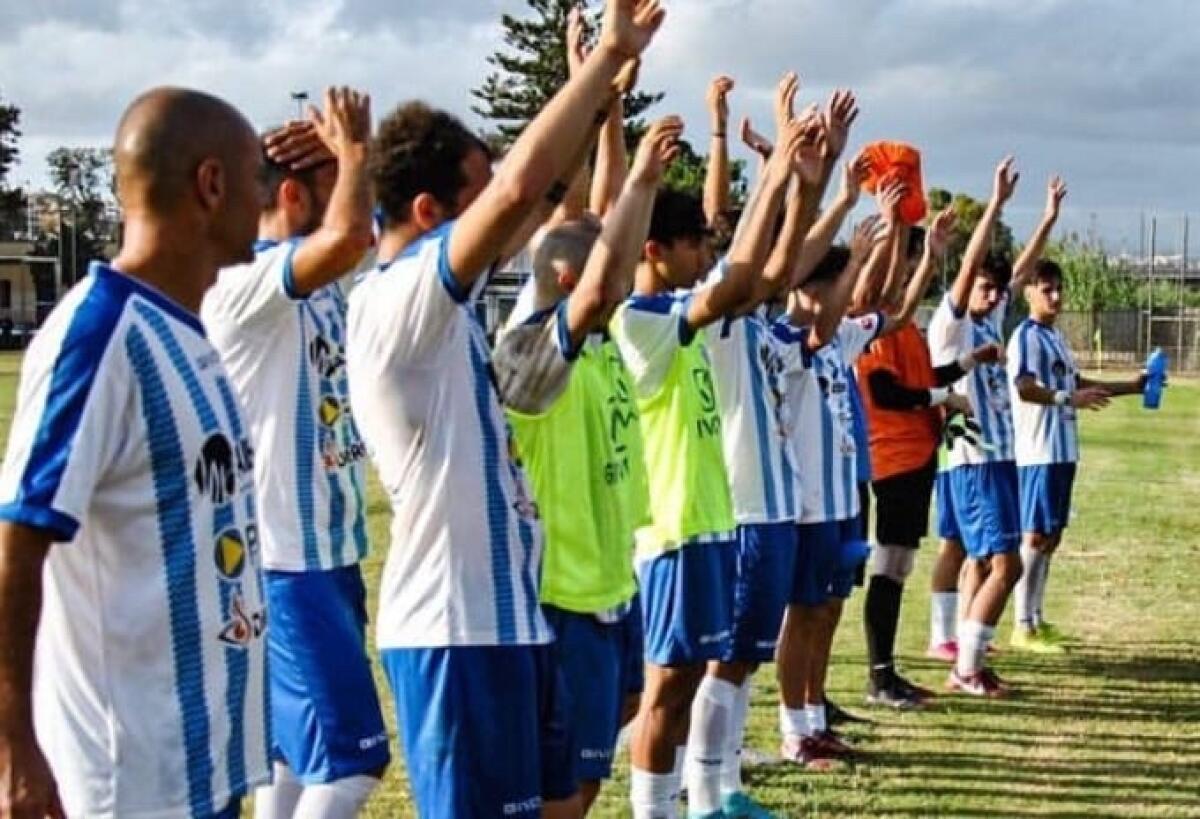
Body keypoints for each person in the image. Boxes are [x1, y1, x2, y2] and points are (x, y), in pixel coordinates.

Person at [345, 3, 666, 816]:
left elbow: (543, 195)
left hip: (506, 622)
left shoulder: (446, 312)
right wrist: (604, 66)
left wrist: (598, 101)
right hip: (452, 630)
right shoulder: (396, 303)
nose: (509, 222)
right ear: (429, 214)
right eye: (479, 202)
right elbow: (525, 186)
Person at [0, 87, 269, 819]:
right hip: (131, 782)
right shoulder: (98, 337)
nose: (267, 198)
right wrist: (13, 745)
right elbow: (17, 543)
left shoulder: (188, 333)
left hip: (201, 764)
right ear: (211, 185)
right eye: (256, 178)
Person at [611, 105, 814, 819]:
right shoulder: (641, 321)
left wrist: (796, 179)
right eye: (694, 241)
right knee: (664, 688)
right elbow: (741, 277)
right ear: (656, 250)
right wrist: (778, 170)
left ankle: (701, 798)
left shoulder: (675, 313)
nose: (705, 252)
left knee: (690, 675)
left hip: (710, 524)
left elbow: (757, 274)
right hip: (669, 531)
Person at [200, 88, 390, 817]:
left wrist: (343, 160)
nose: (353, 195)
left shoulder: (314, 282)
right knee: (353, 761)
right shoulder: (246, 284)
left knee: (293, 754)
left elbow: (361, 233)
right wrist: (355, 149)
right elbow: (347, 238)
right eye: (333, 185)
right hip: (287, 561)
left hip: (323, 556)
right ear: (290, 195)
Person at [494, 117, 683, 814]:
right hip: (562, 595)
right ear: (573, 281)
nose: (628, 271)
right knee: (566, 786)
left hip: (614, 581)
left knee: (612, 732)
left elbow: (595, 222)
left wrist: (607, 114)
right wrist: (640, 177)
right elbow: (580, 235)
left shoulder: (601, 345)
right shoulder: (530, 352)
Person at [695, 72, 833, 818]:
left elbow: (784, 260)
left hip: (774, 503)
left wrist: (815, 180)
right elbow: (758, 255)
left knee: (745, 655)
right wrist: (773, 152)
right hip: (744, 504)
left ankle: (725, 786)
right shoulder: (715, 314)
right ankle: (704, 790)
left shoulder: (758, 320)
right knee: (727, 656)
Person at [774, 206, 954, 768]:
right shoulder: (784, 342)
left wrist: (928, 258)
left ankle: (815, 713)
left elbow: (896, 315)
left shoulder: (842, 341)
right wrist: (862, 241)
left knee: (826, 610)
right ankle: (794, 729)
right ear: (804, 291)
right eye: (835, 286)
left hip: (842, 497)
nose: (845, 296)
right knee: (800, 615)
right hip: (802, 505)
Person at [927, 159, 1054, 693]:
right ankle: (966, 666)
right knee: (1007, 566)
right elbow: (970, 266)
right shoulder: (952, 323)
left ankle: (966, 653)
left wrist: (1045, 220)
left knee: (983, 560)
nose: (992, 293)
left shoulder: (987, 318)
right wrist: (994, 204)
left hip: (994, 458)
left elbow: (1018, 274)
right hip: (974, 460)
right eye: (983, 287)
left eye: (995, 289)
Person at [856, 194, 976, 709]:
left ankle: (886, 672)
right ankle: (879, 676)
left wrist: (966, 365)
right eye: (899, 264)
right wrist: (942, 397)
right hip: (894, 457)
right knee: (889, 564)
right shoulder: (871, 325)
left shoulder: (904, 327)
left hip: (918, 455)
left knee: (899, 563)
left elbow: (923, 380)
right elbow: (888, 394)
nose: (904, 274)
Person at [1007, 258, 1146, 651]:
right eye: (1047, 289)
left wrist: (1130, 387)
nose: (1056, 296)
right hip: (1038, 451)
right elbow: (1025, 387)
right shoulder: (1027, 337)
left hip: (1062, 450)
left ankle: (1035, 617)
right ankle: (1022, 624)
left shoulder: (1055, 337)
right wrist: (1068, 398)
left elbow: (1079, 383)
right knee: (1035, 534)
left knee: (1051, 535)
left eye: (1058, 289)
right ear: (1029, 292)